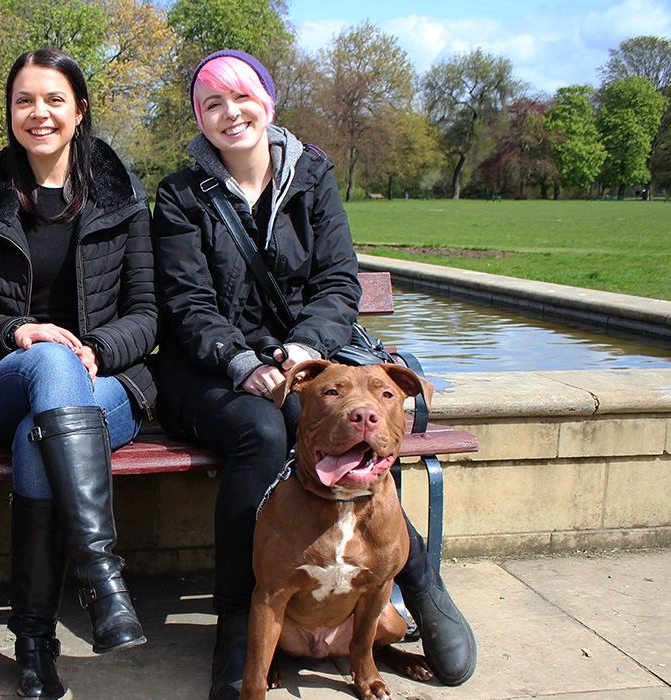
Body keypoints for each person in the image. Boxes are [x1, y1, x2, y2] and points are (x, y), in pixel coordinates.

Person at [150, 50, 477, 699]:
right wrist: (243, 363)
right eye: (211, 103)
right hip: (208, 368)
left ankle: (417, 579)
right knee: (260, 433)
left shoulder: (313, 176)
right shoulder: (182, 193)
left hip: (305, 359)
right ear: (200, 118)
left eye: (241, 96)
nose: (229, 112)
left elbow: (335, 280)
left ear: (266, 103)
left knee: (335, 421)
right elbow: (186, 303)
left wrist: (304, 348)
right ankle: (240, 622)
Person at [0, 48, 157, 700]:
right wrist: (20, 332)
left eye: (54, 100)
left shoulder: (121, 199)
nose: (39, 113)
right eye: (25, 101)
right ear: (10, 112)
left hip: (106, 386)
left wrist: (95, 346)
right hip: (10, 378)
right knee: (47, 360)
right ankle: (100, 578)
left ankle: (34, 643)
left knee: (44, 430)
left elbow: (149, 316)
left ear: (80, 109)